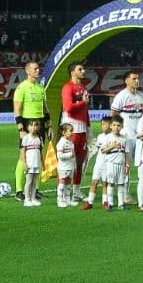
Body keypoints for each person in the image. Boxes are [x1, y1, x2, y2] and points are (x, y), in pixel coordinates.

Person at [11, 61, 49, 200]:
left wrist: (49, 125)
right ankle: (19, 190)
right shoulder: (22, 88)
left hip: (40, 123)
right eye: (35, 69)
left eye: (38, 68)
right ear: (28, 71)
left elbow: (45, 108)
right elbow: (17, 109)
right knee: (24, 156)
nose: (38, 70)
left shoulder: (40, 88)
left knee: (38, 155)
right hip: (27, 123)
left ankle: (35, 189)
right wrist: (20, 128)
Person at [109, 72, 143, 206]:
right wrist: (114, 132)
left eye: (138, 78)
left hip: (140, 136)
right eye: (134, 79)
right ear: (126, 81)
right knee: (127, 165)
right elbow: (113, 114)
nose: (137, 80)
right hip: (127, 136)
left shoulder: (141, 95)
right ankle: (125, 194)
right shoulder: (121, 96)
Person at [60, 64, 92, 202]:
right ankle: (62, 195)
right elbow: (68, 107)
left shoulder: (83, 87)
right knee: (68, 162)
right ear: (72, 72)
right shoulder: (68, 87)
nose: (83, 71)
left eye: (83, 69)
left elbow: (85, 109)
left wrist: (89, 127)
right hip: (71, 129)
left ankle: (76, 192)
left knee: (80, 162)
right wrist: (82, 102)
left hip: (82, 129)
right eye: (80, 69)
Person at [85, 115, 116, 211]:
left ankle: (105, 202)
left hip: (107, 165)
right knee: (94, 182)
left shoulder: (113, 137)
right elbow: (99, 150)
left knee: (105, 184)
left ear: (110, 125)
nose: (102, 126)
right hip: (98, 164)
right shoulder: (100, 137)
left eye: (104, 124)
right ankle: (90, 202)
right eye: (101, 124)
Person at [101, 115, 129, 210]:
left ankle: (121, 204)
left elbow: (126, 152)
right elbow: (103, 150)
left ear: (122, 126)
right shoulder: (108, 137)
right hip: (111, 163)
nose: (116, 127)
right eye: (114, 125)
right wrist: (112, 146)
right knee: (111, 183)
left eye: (118, 125)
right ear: (111, 126)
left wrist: (127, 163)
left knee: (121, 183)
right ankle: (110, 204)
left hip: (121, 163)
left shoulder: (124, 138)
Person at [19, 119, 45, 206]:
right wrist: (25, 163)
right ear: (28, 127)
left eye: (35, 125)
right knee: (29, 181)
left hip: (36, 163)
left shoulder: (39, 138)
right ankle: (27, 199)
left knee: (34, 181)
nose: (33, 127)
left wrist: (43, 163)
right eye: (31, 125)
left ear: (38, 127)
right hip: (29, 163)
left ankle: (33, 198)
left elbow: (40, 152)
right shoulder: (26, 138)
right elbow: (23, 151)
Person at [55, 121, 78, 208]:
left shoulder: (71, 142)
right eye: (70, 130)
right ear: (64, 132)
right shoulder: (61, 143)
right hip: (63, 167)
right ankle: (60, 200)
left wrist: (74, 166)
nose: (72, 133)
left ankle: (68, 200)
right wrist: (69, 155)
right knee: (62, 183)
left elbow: (73, 156)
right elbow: (59, 156)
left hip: (70, 166)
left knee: (68, 183)